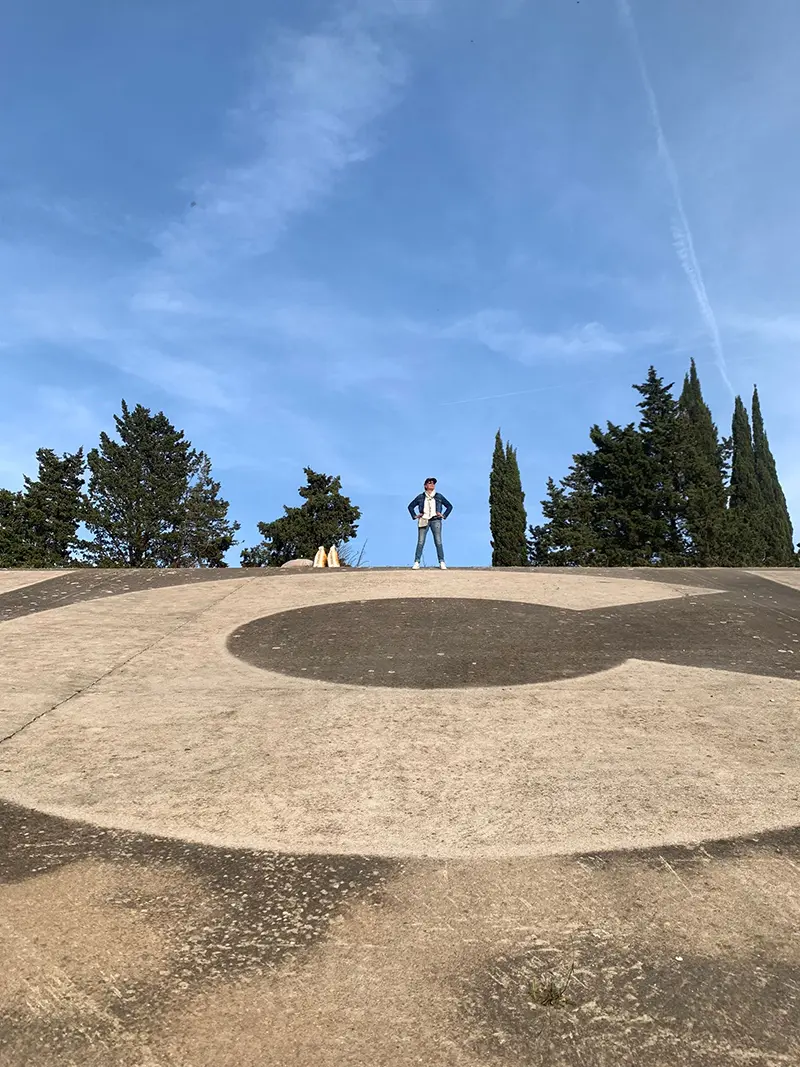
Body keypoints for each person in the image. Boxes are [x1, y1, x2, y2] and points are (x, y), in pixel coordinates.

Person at [407, 477, 453, 569]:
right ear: (425, 485)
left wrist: (443, 515)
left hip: (436, 520)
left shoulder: (438, 496)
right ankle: (417, 561)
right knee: (420, 541)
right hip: (424, 519)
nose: (432, 484)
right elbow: (410, 506)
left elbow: (449, 506)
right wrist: (415, 515)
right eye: (429, 483)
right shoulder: (421, 497)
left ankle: (441, 561)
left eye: (433, 483)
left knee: (438, 541)